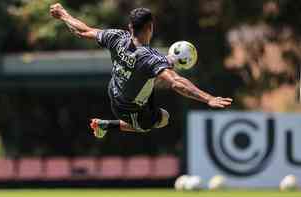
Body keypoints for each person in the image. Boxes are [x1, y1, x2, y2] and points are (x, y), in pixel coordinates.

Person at [50, 4, 233, 138]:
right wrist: (208, 98)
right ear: (150, 28)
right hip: (129, 109)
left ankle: (165, 65)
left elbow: (84, 31)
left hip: (115, 91)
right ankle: (106, 125)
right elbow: (177, 83)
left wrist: (63, 14)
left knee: (152, 74)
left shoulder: (117, 37)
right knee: (163, 119)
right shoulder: (149, 57)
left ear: (130, 27)